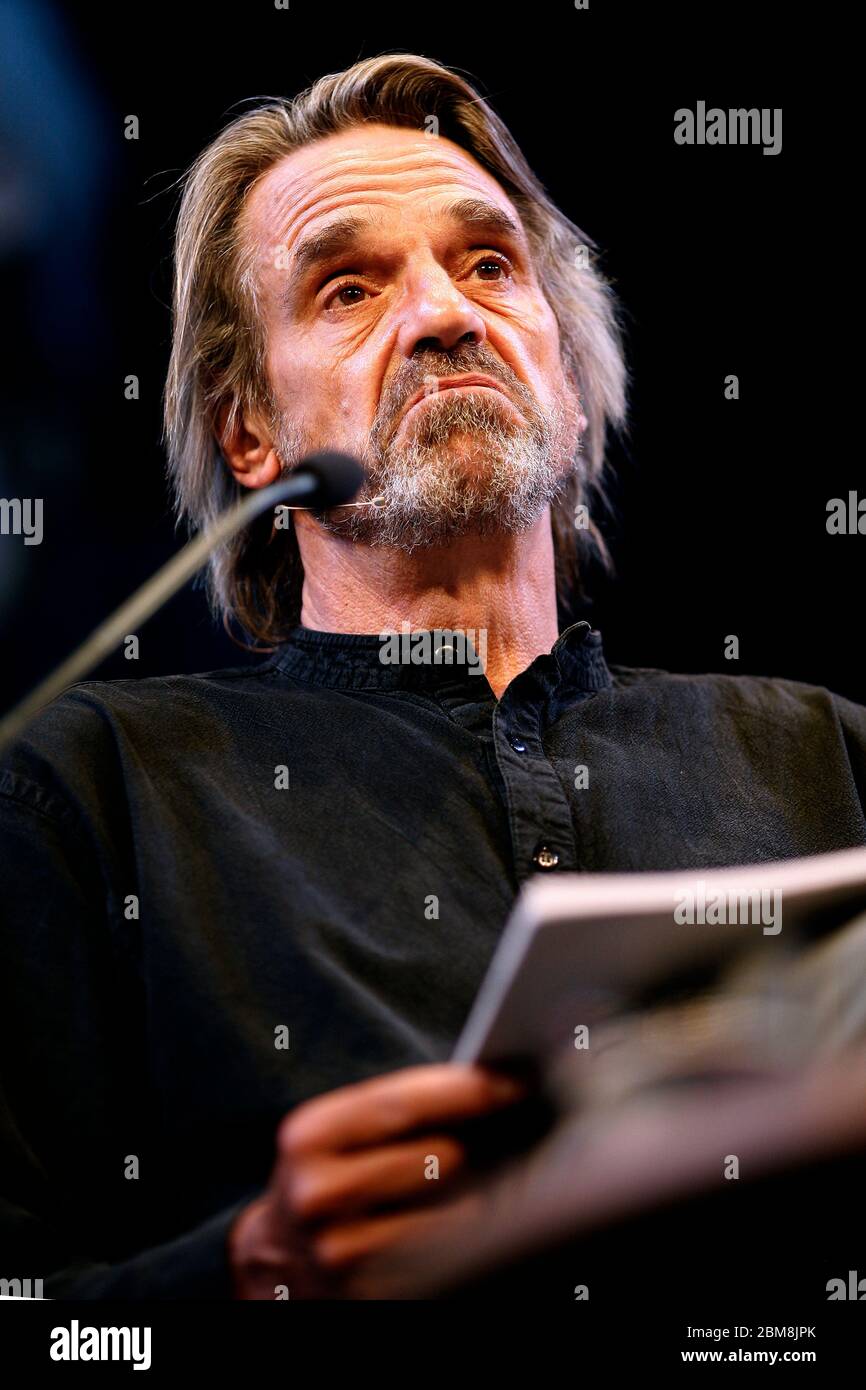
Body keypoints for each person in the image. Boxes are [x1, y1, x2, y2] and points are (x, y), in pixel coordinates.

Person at [2, 52, 864, 1301]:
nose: (445, 315)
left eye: (488, 264)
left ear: (565, 385)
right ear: (251, 432)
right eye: (348, 288)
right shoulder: (93, 798)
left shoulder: (824, 758)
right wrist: (241, 1273)